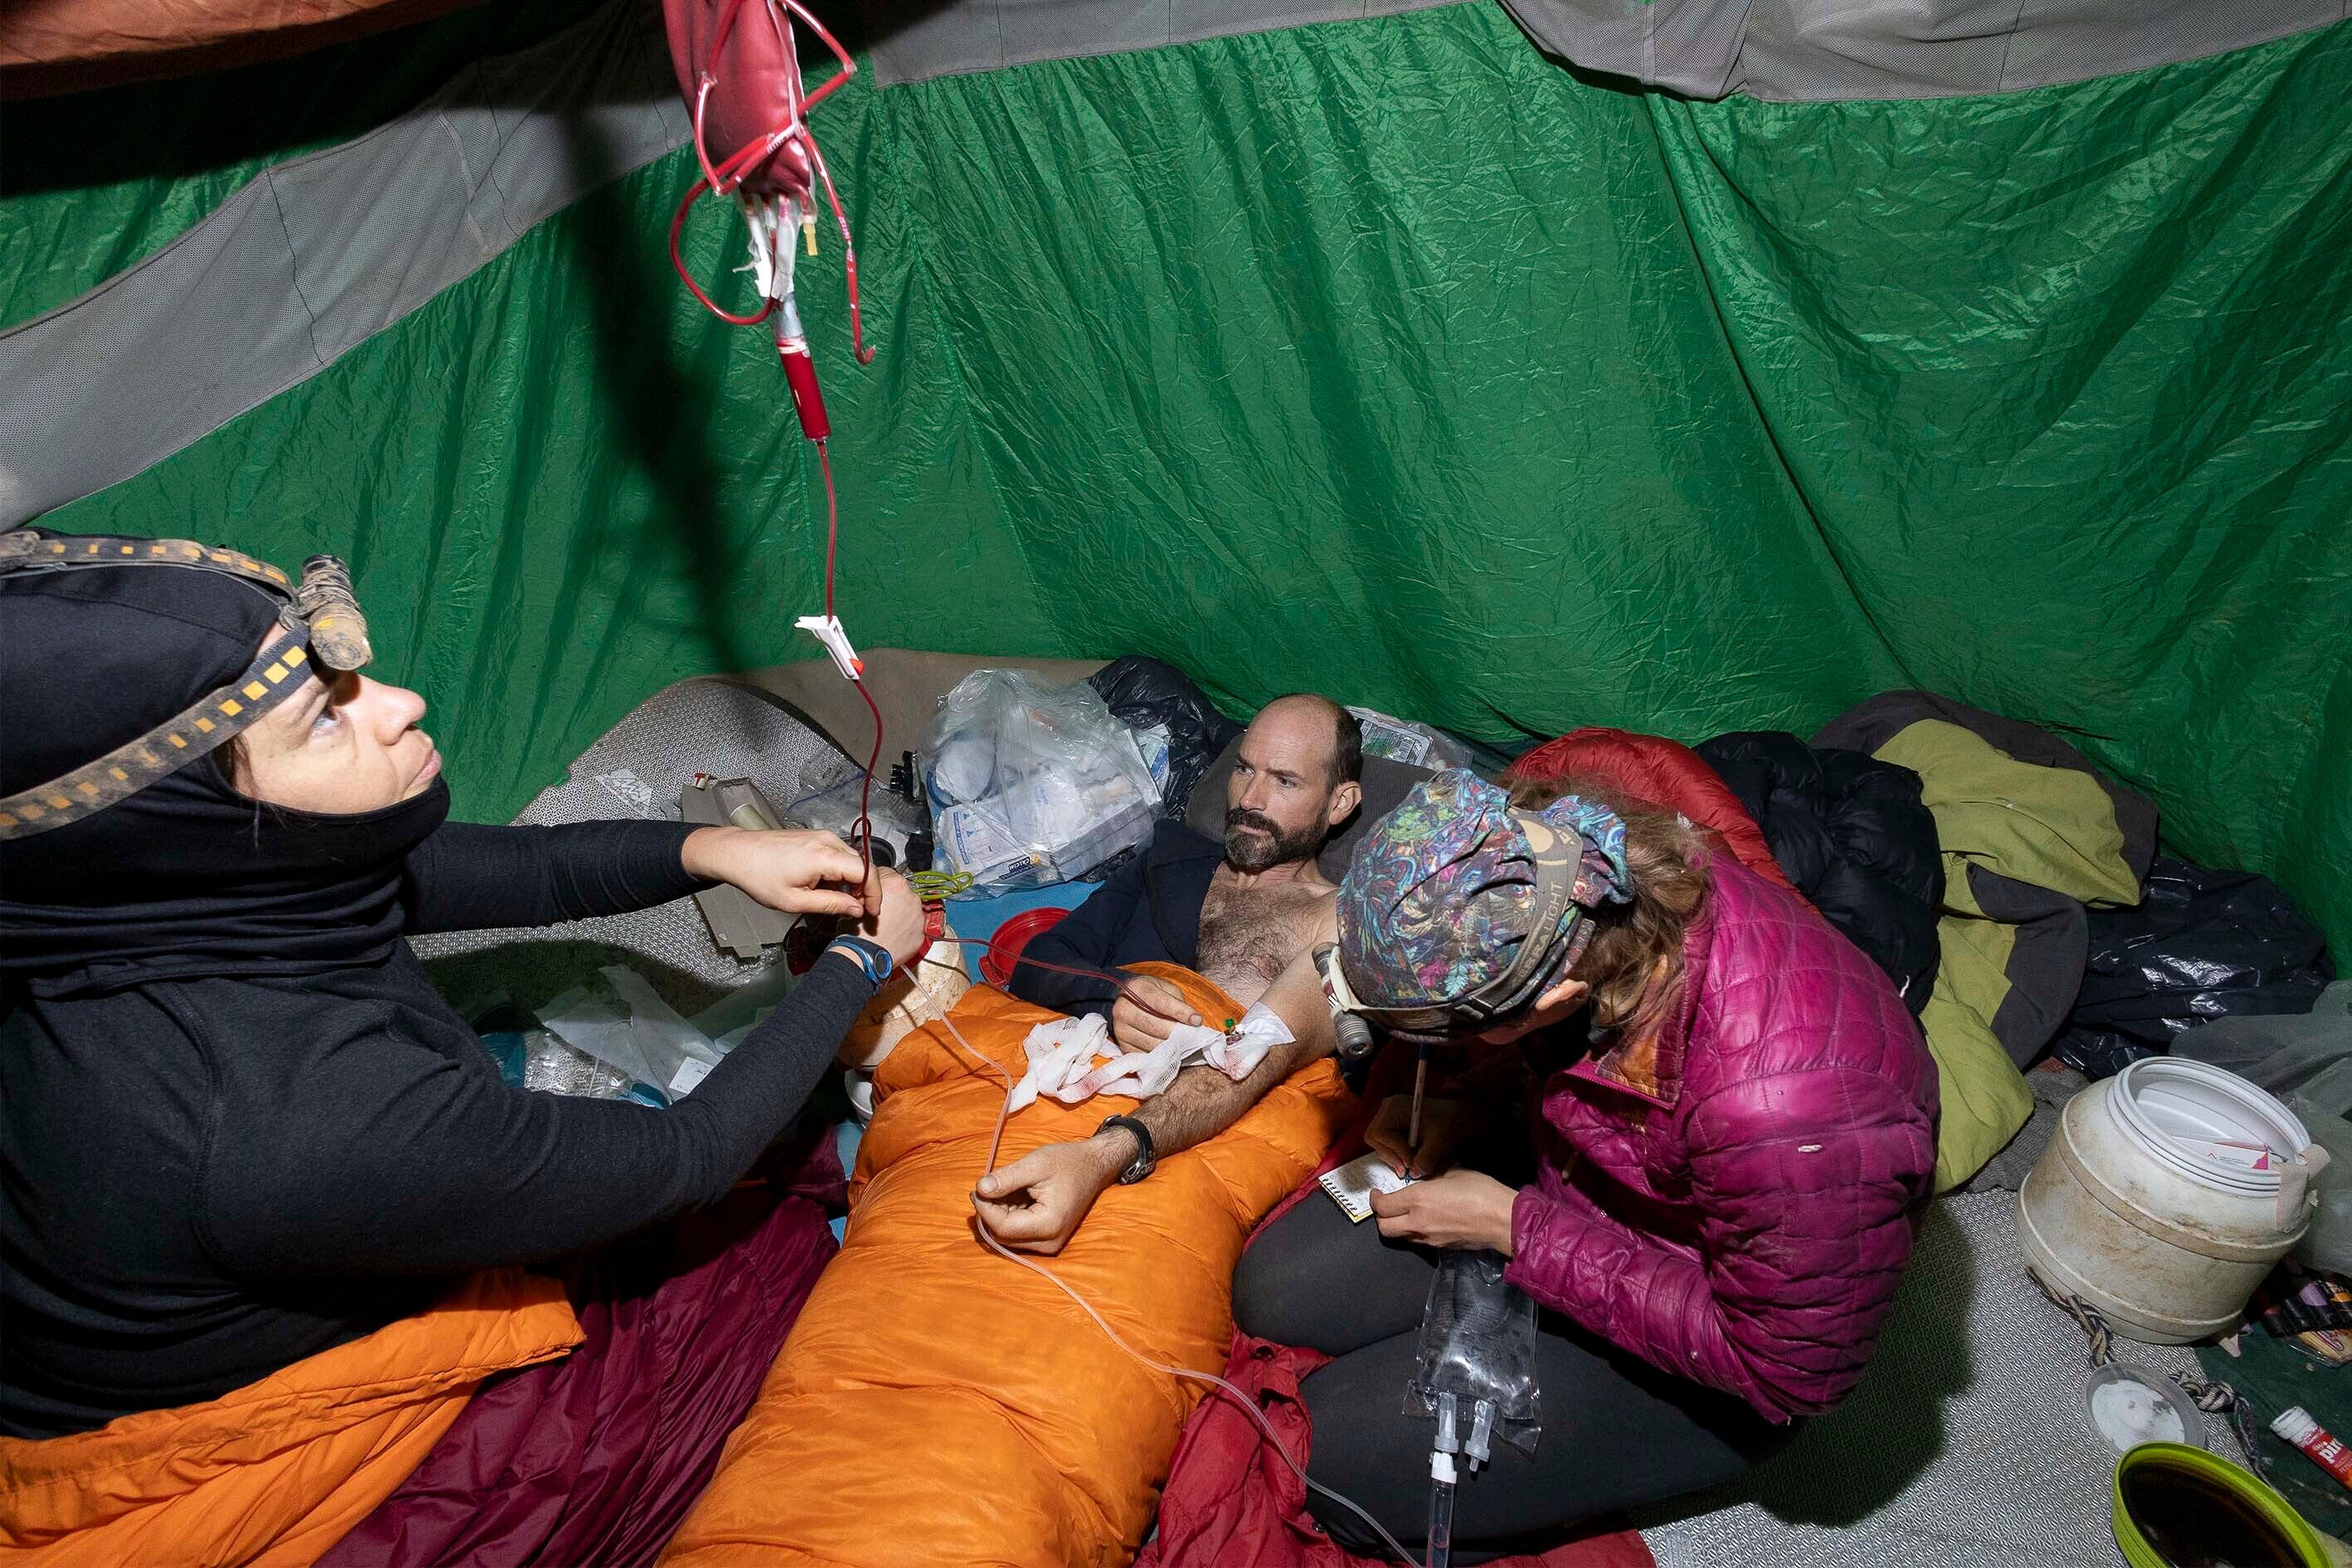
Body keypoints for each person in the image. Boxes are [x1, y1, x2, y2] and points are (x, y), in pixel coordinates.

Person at [0, 532, 927, 1439]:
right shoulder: (292, 1121)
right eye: (322, 717)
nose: (402, 702)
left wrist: (716, 849)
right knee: (750, 1292)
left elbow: (523, 874)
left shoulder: (167, 893)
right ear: (181, 826)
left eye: (348, 682)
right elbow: (684, 1158)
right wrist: (859, 965)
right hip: (216, 1426)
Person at [1229, 769, 1941, 1556]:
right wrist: (1470, 1105)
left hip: (1711, 1334)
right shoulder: (1577, 870)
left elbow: (1786, 1370)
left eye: (1446, 1033)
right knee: (1276, 1291)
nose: (1434, 1050)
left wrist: (1516, 1231)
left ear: (1550, 996)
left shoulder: (1794, 1113)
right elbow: (1558, 1054)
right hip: (1582, 1176)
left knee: (1332, 1461)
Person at [1008, 691, 1362, 1046]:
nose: (1249, 799)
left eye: (1284, 781)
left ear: (1339, 803)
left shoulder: (1335, 919)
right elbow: (1037, 964)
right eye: (1244, 769)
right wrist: (1109, 998)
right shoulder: (1168, 861)